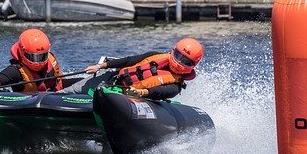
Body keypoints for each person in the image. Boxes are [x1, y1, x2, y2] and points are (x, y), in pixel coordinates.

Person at [63, 38, 204, 100]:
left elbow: (159, 92)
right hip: (112, 79)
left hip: (129, 97)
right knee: (69, 91)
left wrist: (141, 92)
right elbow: (130, 60)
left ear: (192, 66)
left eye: (185, 61)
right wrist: (100, 66)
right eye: (178, 56)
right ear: (173, 50)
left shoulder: (175, 85)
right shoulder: (155, 55)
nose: (179, 62)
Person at [0, 28, 65, 92]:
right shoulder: (15, 70)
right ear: (23, 53)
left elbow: (60, 78)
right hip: (30, 106)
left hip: (57, 96)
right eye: (33, 57)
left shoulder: (51, 60)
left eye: (42, 56)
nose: (38, 62)